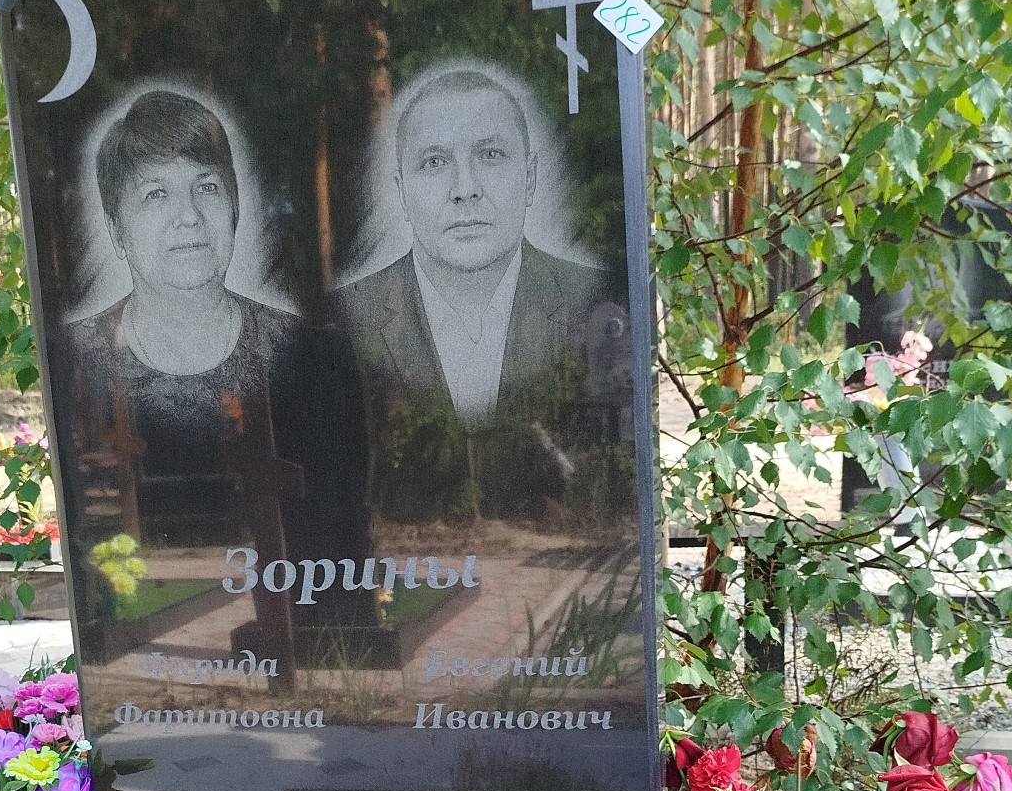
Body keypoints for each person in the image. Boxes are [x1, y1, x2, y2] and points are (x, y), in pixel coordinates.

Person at [62, 89, 298, 549]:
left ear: (234, 207)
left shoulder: (297, 344)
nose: (188, 217)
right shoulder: (77, 354)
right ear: (116, 229)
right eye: (156, 194)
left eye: (207, 187)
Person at [334, 68, 608, 424]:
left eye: (490, 154)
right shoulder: (347, 315)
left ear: (530, 177)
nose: (465, 189)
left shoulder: (592, 296)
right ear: (401, 192)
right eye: (435, 162)